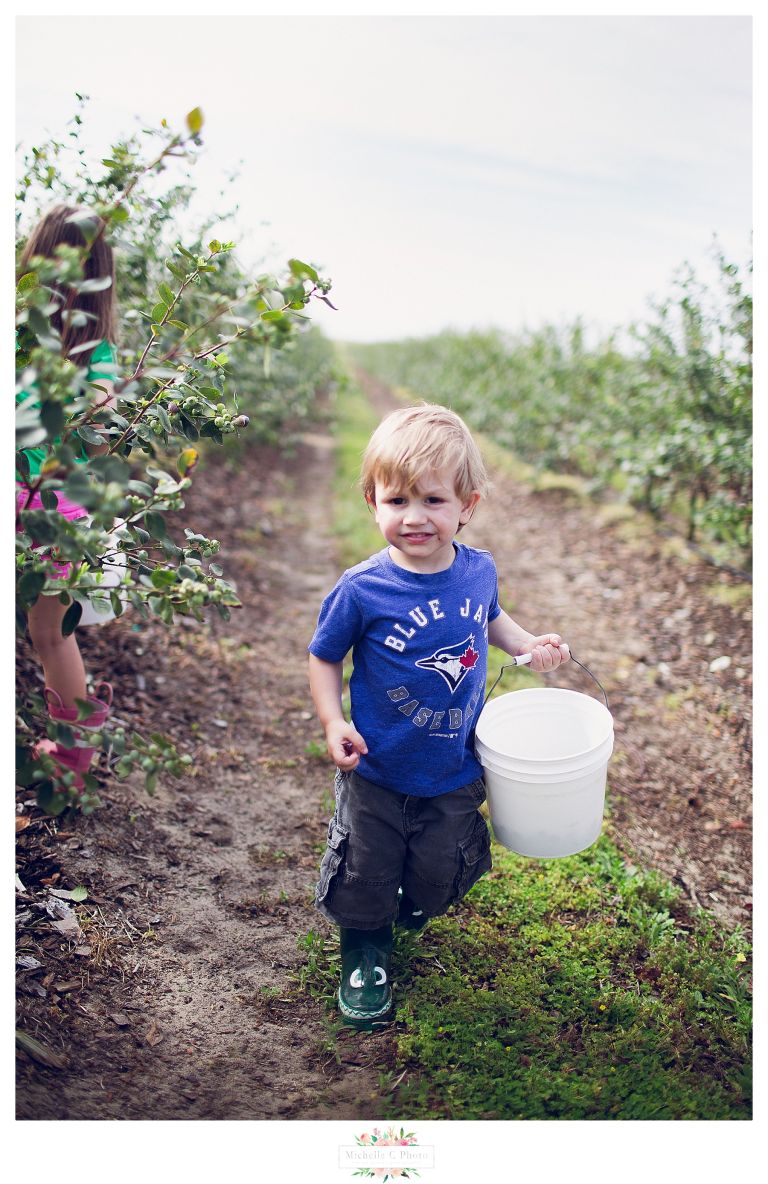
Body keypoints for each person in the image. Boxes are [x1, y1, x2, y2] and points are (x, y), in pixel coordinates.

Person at [308, 403, 570, 1027]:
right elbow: (323, 658)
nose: (415, 517)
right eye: (397, 501)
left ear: (466, 505)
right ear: (372, 500)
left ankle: (408, 908)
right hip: (379, 765)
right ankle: (365, 948)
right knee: (368, 867)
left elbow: (495, 622)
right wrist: (332, 721)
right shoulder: (362, 588)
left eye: (433, 500)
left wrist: (532, 646)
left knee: (436, 871)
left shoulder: (478, 572)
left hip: (455, 764)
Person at [16, 204, 119, 791]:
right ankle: (74, 753)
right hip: (65, 513)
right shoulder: (97, 353)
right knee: (54, 634)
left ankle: (72, 749)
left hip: (29, 501)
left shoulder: (16, 334)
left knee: (49, 633)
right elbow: (99, 420)